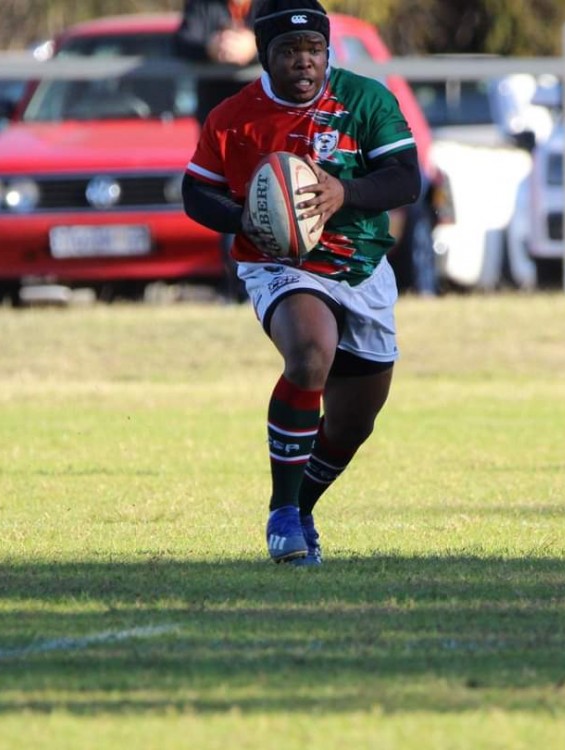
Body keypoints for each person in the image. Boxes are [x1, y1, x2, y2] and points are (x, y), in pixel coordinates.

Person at [182, 0, 421, 565]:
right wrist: (244, 218)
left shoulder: (365, 99)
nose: (304, 61)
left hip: (359, 266)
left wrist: (345, 192)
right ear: (265, 54)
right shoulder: (233, 117)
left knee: (354, 421)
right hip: (279, 264)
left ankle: (302, 506)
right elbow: (196, 192)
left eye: (314, 48)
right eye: (290, 50)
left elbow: (405, 178)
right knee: (311, 352)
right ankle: (283, 514)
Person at [175, 0, 265, 303]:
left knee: (268, 190)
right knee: (227, 195)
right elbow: (182, 41)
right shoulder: (202, 4)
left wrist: (255, 44)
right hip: (220, 121)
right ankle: (239, 286)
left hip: (266, 117)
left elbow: (297, 36)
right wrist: (211, 47)